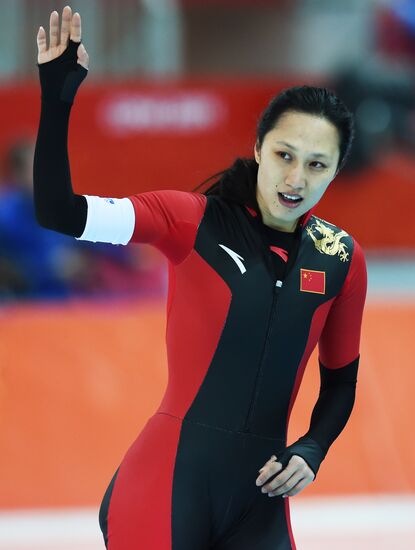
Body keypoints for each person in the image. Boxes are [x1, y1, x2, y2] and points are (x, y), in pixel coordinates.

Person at [34, 7, 367, 550]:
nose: (295, 177)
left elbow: (341, 381)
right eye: (284, 155)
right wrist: (57, 96)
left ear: (334, 171)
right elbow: (58, 212)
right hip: (165, 487)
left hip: (259, 502)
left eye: (316, 164)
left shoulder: (341, 259)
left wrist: (312, 448)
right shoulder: (189, 220)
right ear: (258, 149)